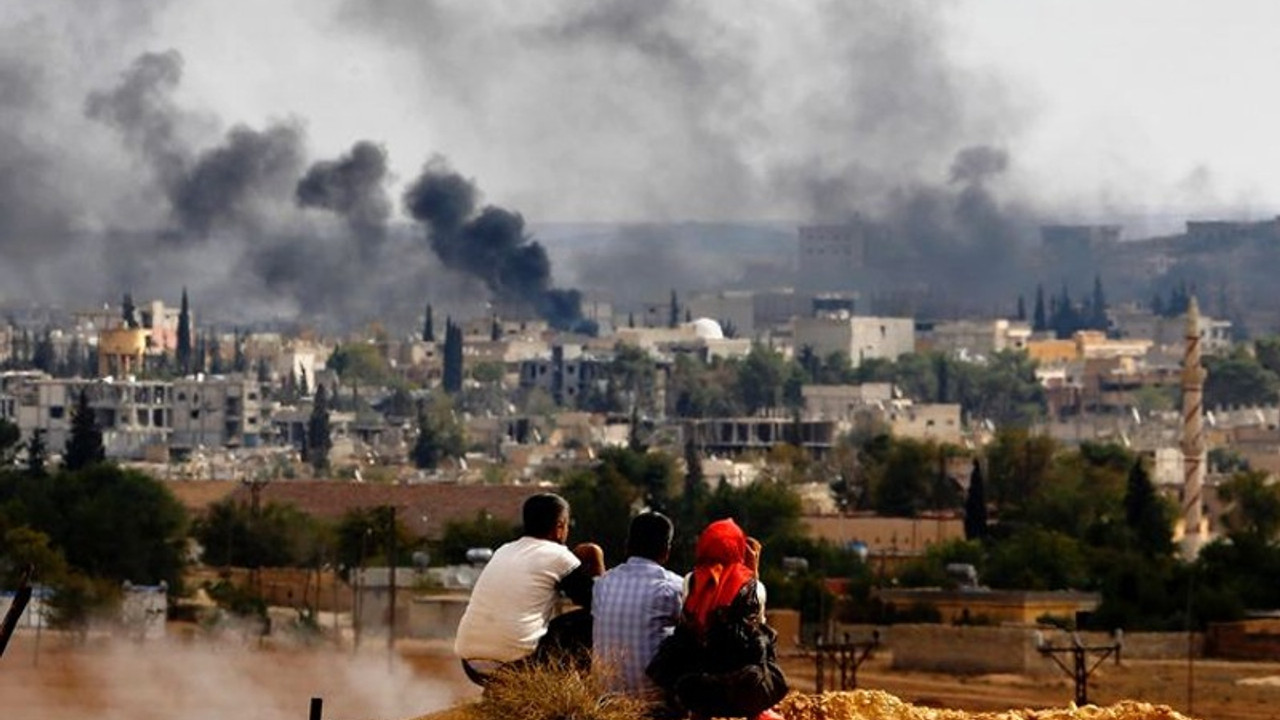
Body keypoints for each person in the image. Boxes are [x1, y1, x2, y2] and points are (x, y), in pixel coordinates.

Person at [454, 492, 603, 685]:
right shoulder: (559, 556)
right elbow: (600, 604)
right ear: (559, 527)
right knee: (591, 621)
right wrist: (596, 558)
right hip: (516, 665)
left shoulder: (503, 550)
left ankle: (498, 691)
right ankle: (576, 690)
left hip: (470, 666)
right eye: (567, 525)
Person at [647, 518, 787, 719]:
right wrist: (753, 572)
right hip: (739, 686)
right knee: (765, 643)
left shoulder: (690, 580)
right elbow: (759, 626)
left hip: (698, 682)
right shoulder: (754, 588)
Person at [592, 512, 684, 701]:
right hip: (653, 704)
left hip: (605, 701)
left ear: (628, 545)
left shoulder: (603, 583)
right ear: (666, 551)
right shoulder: (673, 588)